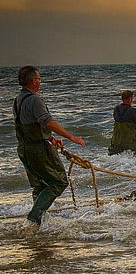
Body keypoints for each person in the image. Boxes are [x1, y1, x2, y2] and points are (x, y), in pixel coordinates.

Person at [13, 66, 86, 230]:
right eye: (39, 78)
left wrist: (51, 138)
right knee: (59, 182)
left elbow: (29, 125)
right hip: (38, 150)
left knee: (38, 185)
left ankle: (36, 224)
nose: (40, 81)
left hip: (24, 149)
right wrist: (71, 137)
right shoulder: (35, 100)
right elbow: (47, 121)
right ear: (33, 81)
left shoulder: (18, 99)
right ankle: (34, 218)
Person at [109, 90, 136, 155]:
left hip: (116, 142)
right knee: (135, 157)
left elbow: (119, 119)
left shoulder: (116, 109)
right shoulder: (133, 111)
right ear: (130, 98)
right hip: (129, 143)